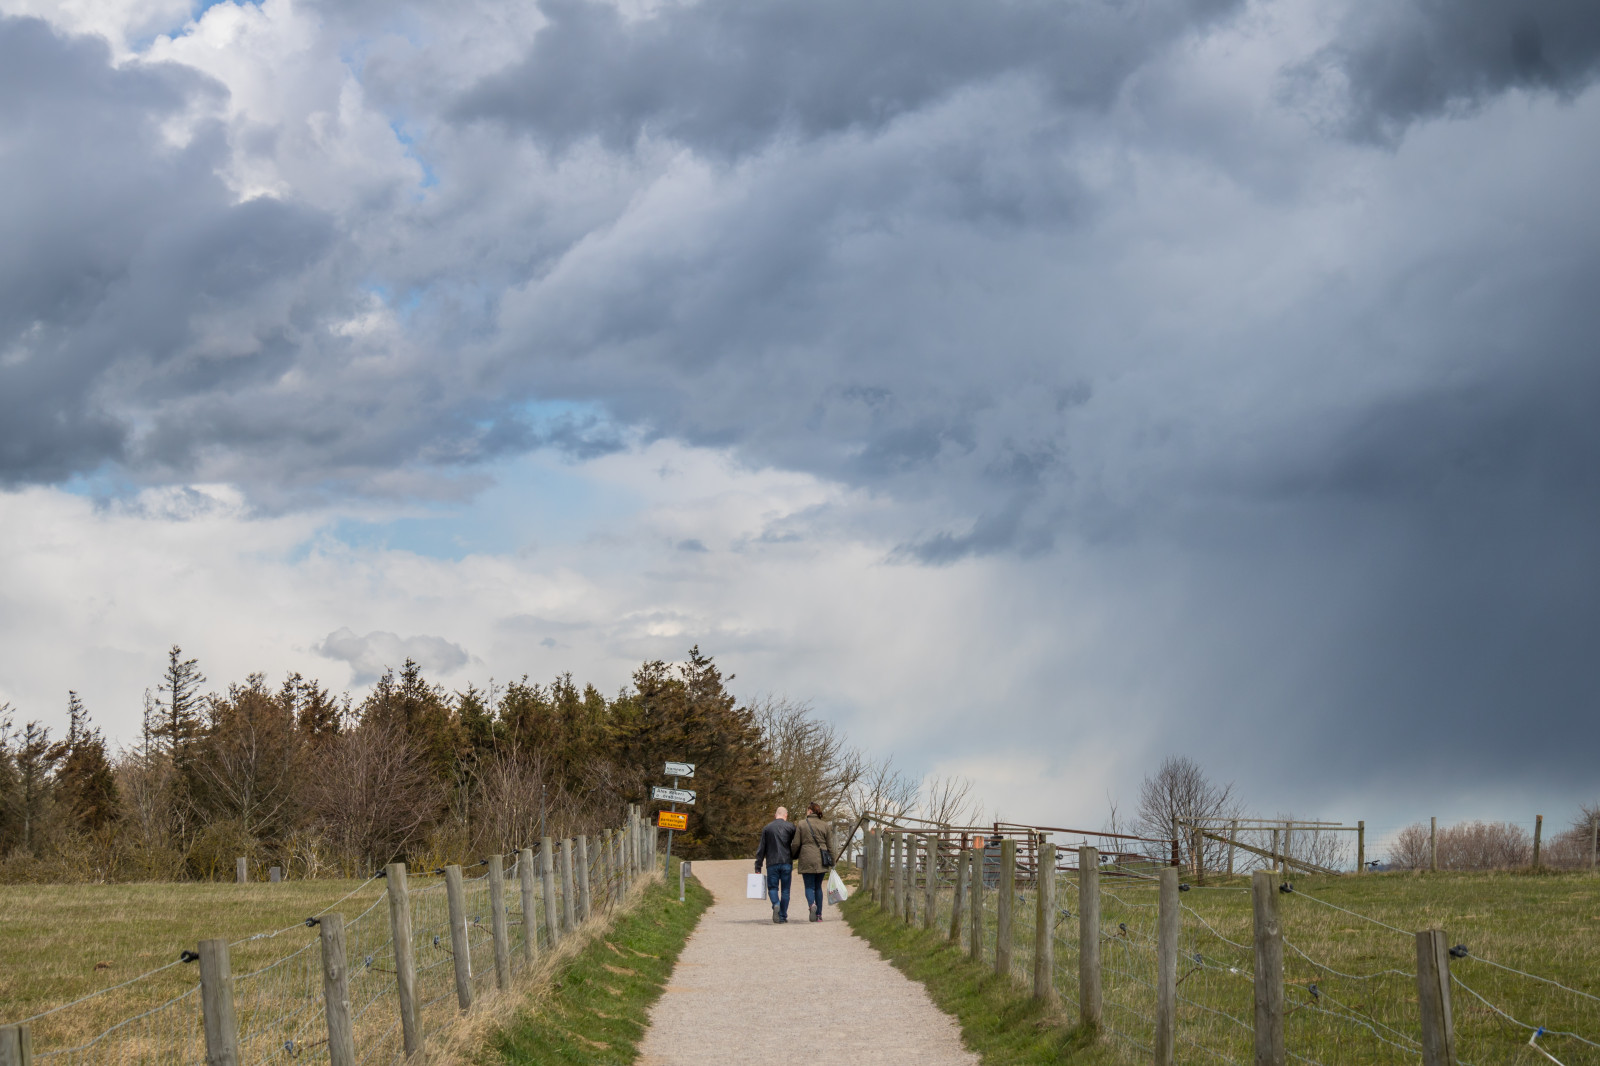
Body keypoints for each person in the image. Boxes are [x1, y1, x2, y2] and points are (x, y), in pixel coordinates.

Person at [754, 806, 798, 923]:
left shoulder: (767, 828)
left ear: (775, 815)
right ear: (786, 815)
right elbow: (797, 844)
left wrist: (758, 866)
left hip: (772, 862)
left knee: (773, 888)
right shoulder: (791, 827)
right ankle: (782, 916)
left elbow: (761, 848)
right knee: (785, 890)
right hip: (786, 862)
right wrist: (795, 855)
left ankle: (776, 904)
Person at [792, 802, 833, 922]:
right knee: (818, 887)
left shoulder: (802, 824)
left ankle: (812, 905)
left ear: (810, 811)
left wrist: (793, 855)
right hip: (822, 858)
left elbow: (796, 843)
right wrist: (833, 861)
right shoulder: (825, 825)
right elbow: (830, 845)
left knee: (809, 886)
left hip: (807, 858)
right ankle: (819, 915)